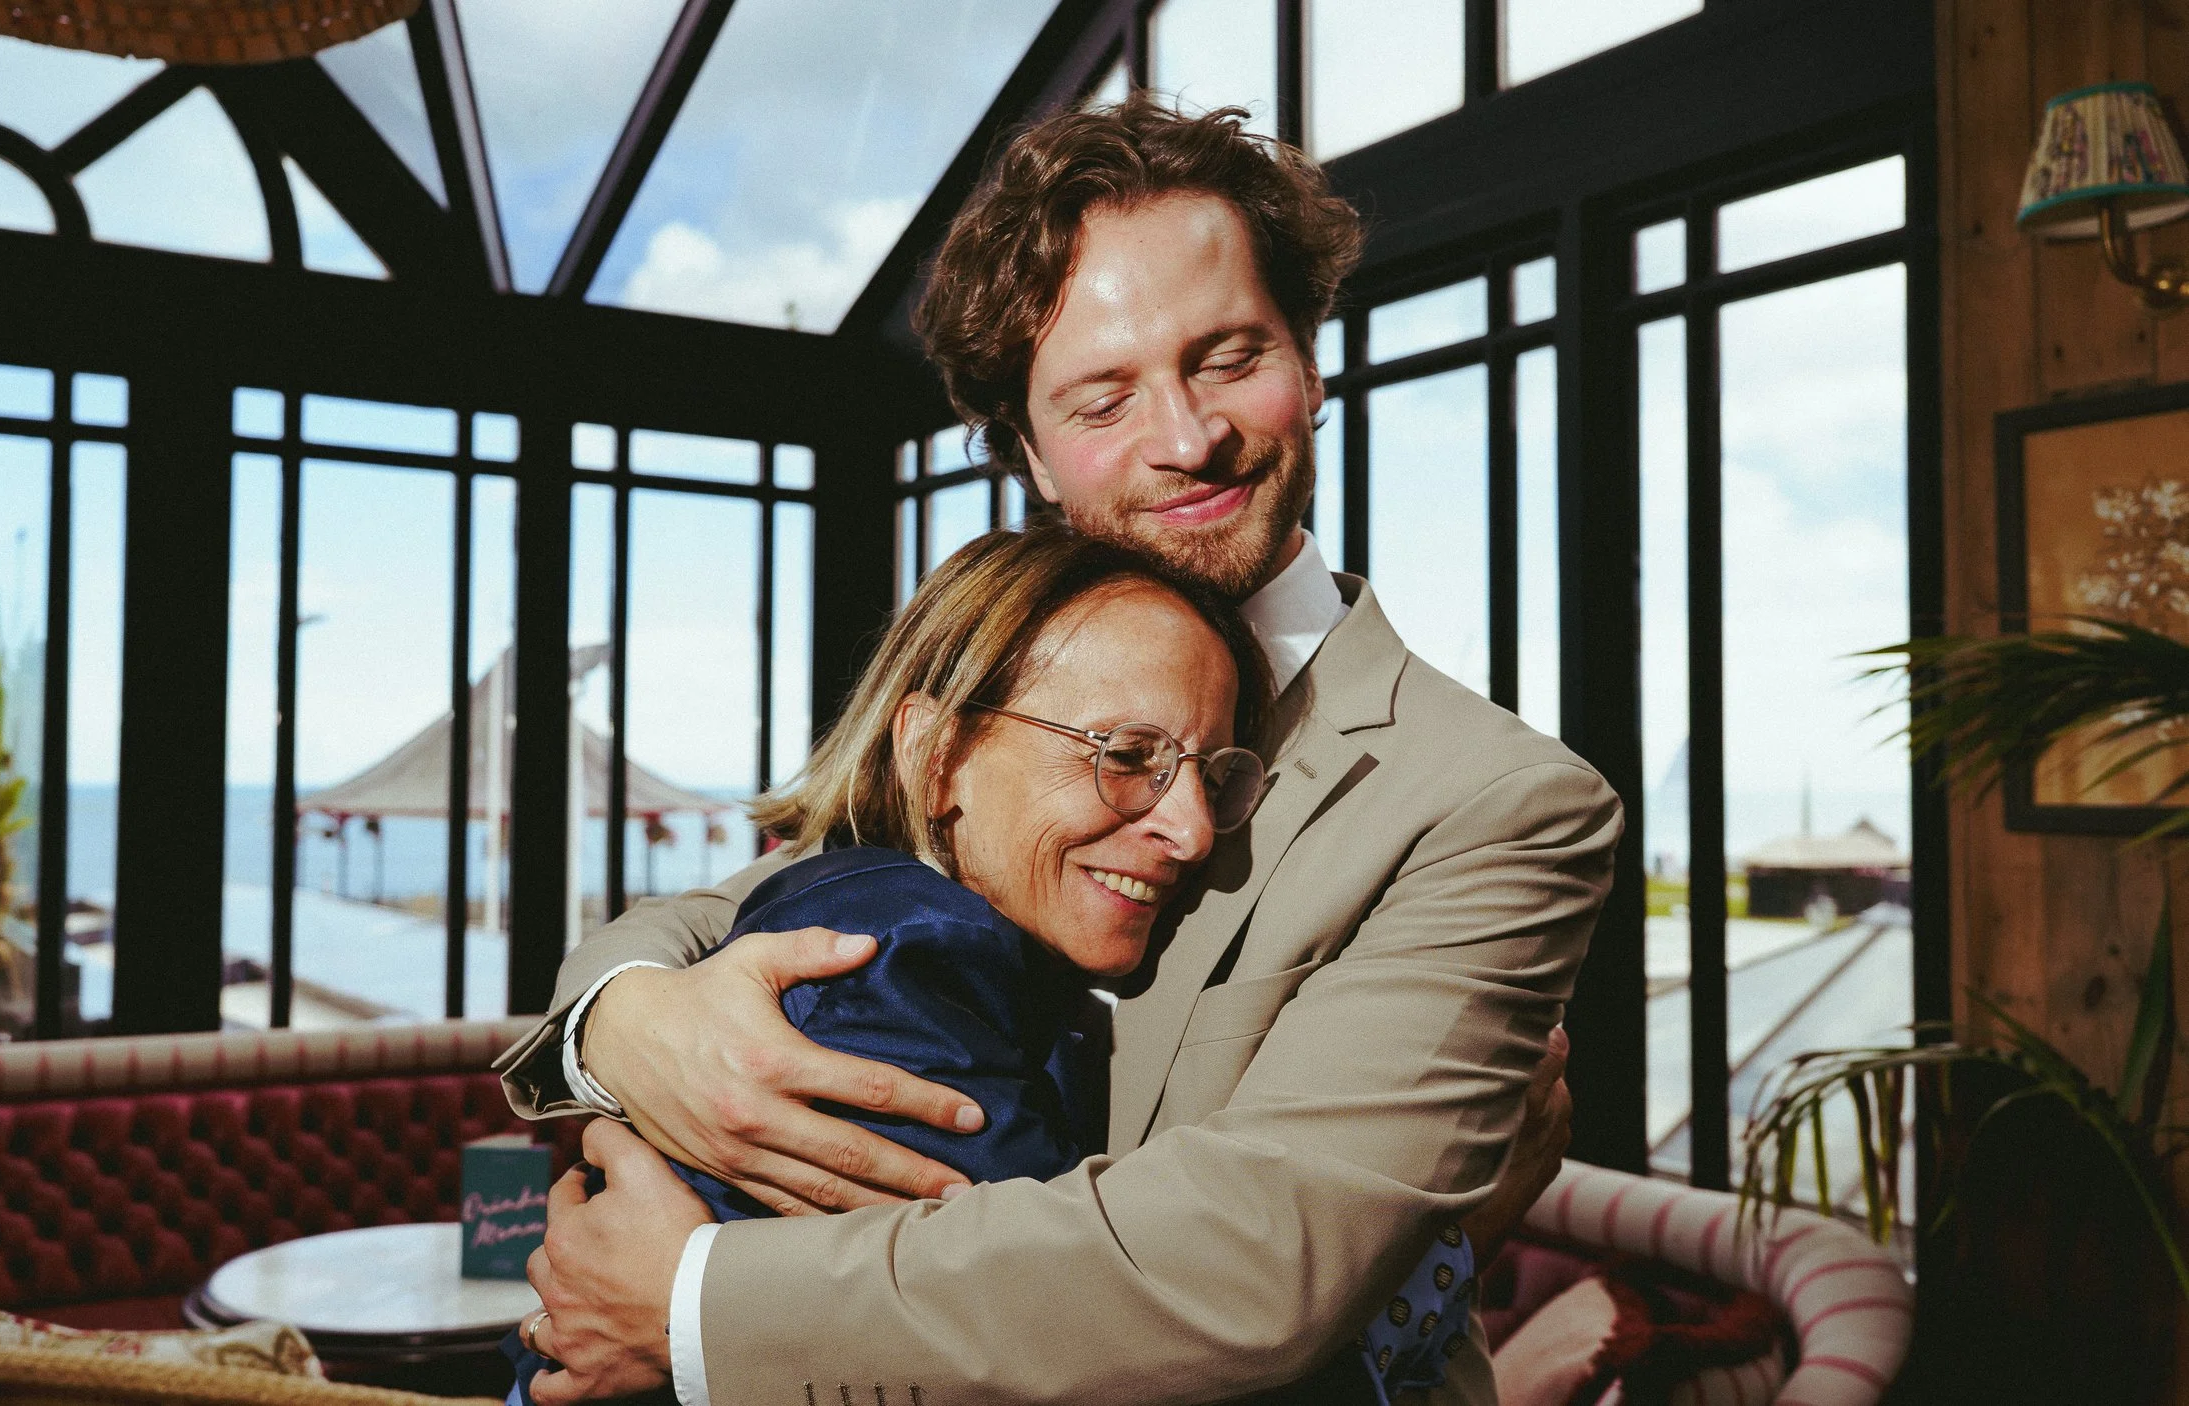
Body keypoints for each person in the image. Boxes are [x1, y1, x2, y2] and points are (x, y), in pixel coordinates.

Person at [493, 95, 1621, 1406]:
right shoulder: (1009, 685)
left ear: (1310, 360)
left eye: (1229, 355)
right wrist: (623, 1027)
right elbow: (728, 915)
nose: (1186, 438)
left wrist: (696, 1310)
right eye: (1102, 396)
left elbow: (1246, 1267)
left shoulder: (1497, 800)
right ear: (1031, 453)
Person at [503, 529, 1479, 1406]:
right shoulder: (900, 955)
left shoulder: (915, 928)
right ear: (936, 754)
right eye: (1126, 752)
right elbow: (1098, 1361)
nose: (1186, 829)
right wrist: (1441, 1246)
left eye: (1212, 774)